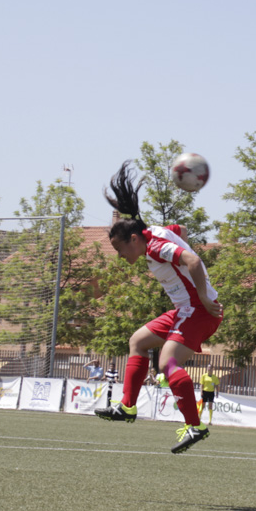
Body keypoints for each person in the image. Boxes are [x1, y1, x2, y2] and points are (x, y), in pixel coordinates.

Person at [93, 161, 223, 454]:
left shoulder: (154, 247)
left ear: (134, 239)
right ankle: (127, 407)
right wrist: (179, 243)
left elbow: (192, 261)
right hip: (185, 309)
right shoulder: (154, 233)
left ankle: (196, 426)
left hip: (199, 310)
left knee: (167, 364)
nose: (119, 255)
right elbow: (182, 229)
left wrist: (202, 296)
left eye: (119, 249)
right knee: (137, 341)